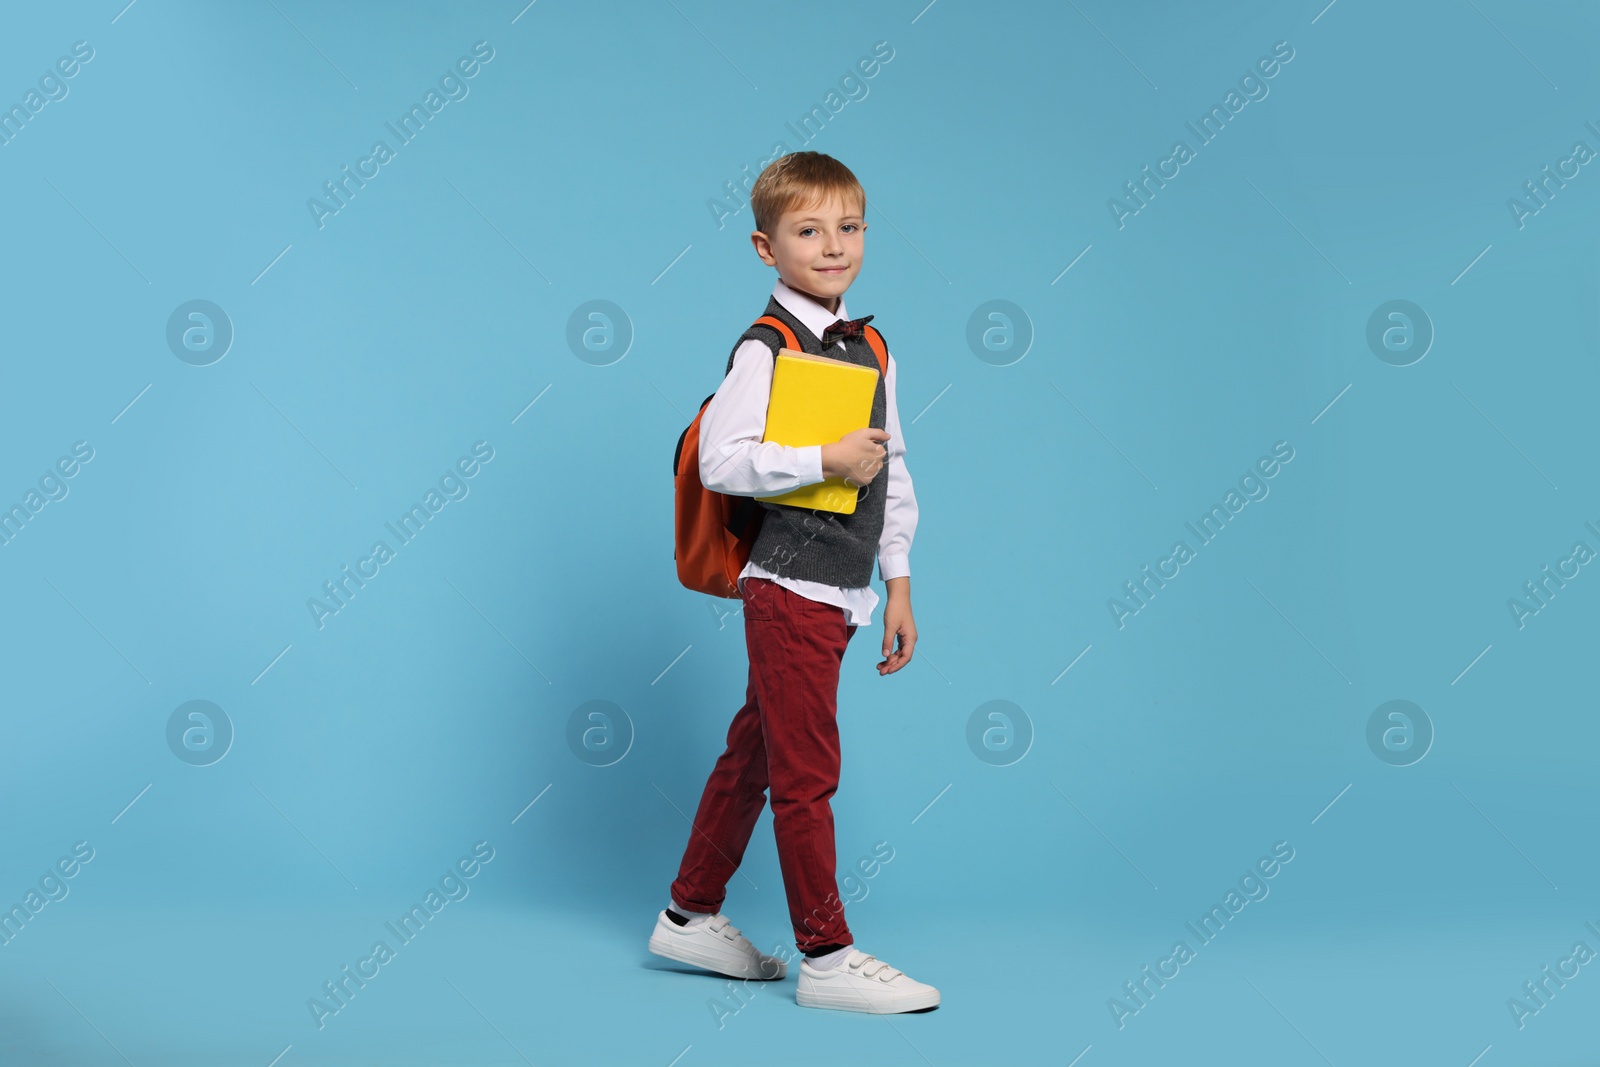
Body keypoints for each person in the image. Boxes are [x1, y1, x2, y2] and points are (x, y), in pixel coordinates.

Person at [648, 151, 938, 1014]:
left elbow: (895, 475)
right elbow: (722, 459)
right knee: (807, 771)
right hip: (789, 586)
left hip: (845, 588)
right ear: (765, 247)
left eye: (848, 227)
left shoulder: (872, 345)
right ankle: (827, 953)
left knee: (759, 751)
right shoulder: (765, 347)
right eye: (808, 231)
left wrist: (900, 582)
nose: (832, 245)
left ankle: (689, 912)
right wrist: (823, 458)